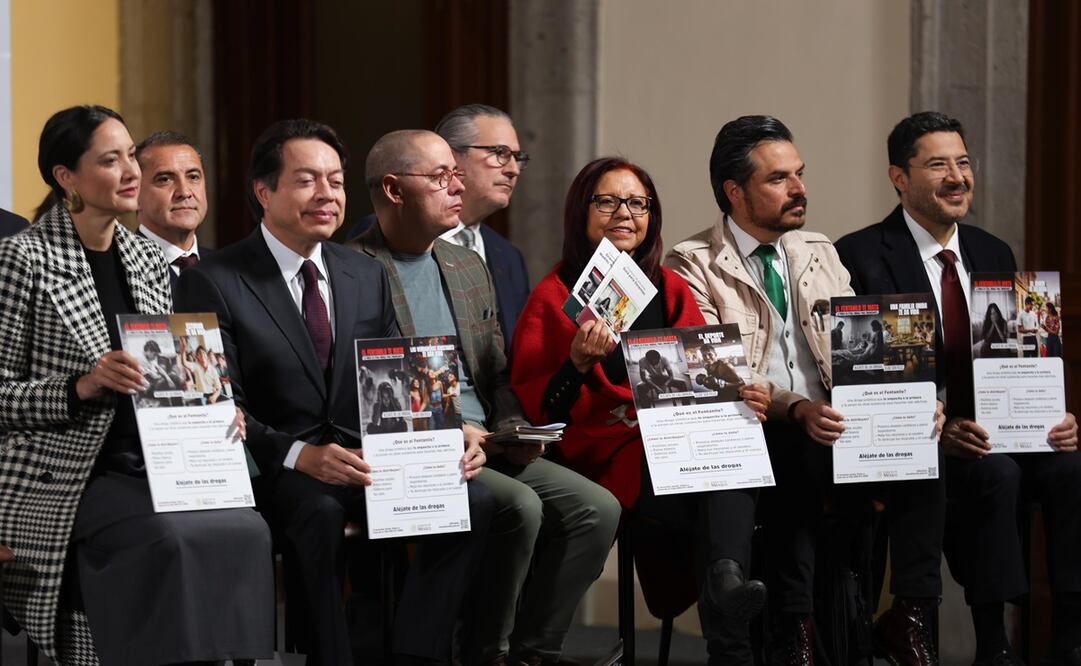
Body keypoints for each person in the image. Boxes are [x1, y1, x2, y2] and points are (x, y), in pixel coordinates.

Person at [176, 119, 493, 665]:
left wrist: (448, 427)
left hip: (366, 456)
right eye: (306, 180)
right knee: (318, 512)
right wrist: (302, 456)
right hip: (276, 466)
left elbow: (400, 370)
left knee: (478, 499)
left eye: (336, 181)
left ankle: (413, 654)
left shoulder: (362, 272)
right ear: (263, 192)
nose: (326, 194)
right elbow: (215, 403)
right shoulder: (214, 278)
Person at [665, 115, 945, 666]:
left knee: (923, 447)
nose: (800, 190)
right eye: (779, 179)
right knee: (793, 452)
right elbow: (719, 373)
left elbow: (860, 346)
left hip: (836, 418)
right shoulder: (691, 262)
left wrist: (911, 398)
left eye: (800, 174)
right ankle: (796, 631)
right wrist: (796, 408)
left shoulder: (817, 249)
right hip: (762, 423)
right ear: (734, 191)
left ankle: (911, 612)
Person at [0, 105, 272, 665]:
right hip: (64, 468)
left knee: (246, 529)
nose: (131, 172)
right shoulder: (21, 257)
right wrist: (81, 385)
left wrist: (213, 406)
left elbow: (174, 369)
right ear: (65, 178)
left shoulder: (148, 258)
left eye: (130, 156)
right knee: (166, 538)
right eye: (110, 160)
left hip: (158, 458)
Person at [349, 130, 619, 666]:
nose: (457, 186)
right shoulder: (352, 268)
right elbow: (358, 390)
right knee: (518, 505)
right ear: (393, 189)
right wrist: (450, 430)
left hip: (488, 438)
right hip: (419, 445)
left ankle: (532, 652)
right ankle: (484, 653)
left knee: (597, 508)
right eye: (440, 177)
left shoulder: (467, 265)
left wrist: (516, 428)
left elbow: (498, 374)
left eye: (456, 174)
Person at [835, 111, 1080, 666]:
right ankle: (993, 643)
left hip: (999, 425)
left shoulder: (995, 253)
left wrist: (1053, 413)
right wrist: (939, 429)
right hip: (924, 439)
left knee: (1070, 467)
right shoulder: (861, 255)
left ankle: (1069, 638)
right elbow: (862, 373)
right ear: (899, 177)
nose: (957, 177)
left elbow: (1022, 356)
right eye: (938, 164)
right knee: (998, 472)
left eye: (963, 163)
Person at [512, 156, 771, 665]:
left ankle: (725, 581)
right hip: (601, 449)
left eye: (637, 203)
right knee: (713, 497)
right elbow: (541, 413)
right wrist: (576, 365)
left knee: (738, 448)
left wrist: (742, 391)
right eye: (606, 201)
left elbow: (708, 377)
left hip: (674, 439)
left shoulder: (669, 287)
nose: (623, 213)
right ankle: (730, 625)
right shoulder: (555, 294)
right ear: (580, 212)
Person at [348, 105, 531, 349]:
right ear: (452, 155)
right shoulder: (374, 241)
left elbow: (502, 363)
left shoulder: (508, 256)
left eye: (517, 158)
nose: (513, 170)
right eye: (500, 153)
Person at [135, 131, 213, 295]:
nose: (184, 192)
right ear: (135, 194)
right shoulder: (119, 268)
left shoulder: (229, 269)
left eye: (193, 177)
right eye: (165, 179)